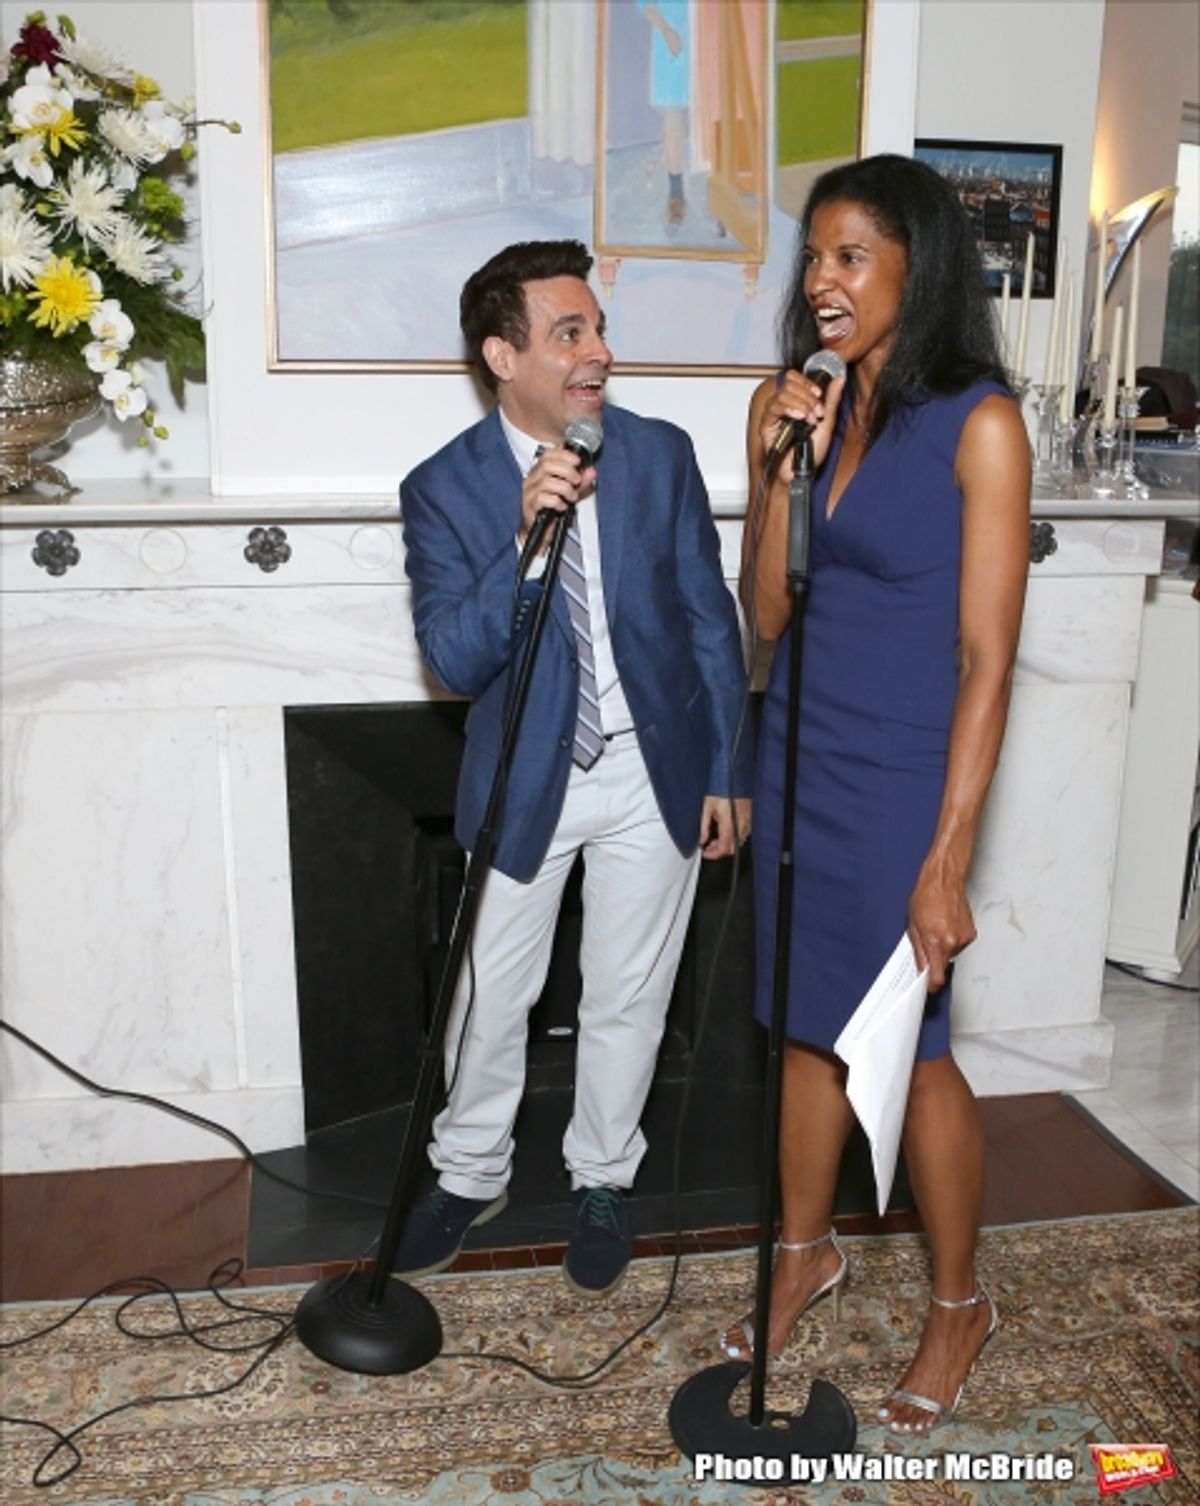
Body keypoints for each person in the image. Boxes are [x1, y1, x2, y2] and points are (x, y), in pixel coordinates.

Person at [725, 155, 1030, 1433]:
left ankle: (958, 1301)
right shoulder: (796, 405)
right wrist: (773, 474)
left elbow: (988, 658)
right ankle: (805, 1252)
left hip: (910, 775)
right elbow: (768, 614)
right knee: (805, 1024)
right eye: (814, 257)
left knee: (911, 1058)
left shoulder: (983, 424)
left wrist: (949, 854)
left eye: (852, 255)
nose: (823, 281)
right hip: (800, 753)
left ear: (919, 267)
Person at [398, 239, 753, 1298]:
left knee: (629, 994)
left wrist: (727, 767)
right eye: (570, 333)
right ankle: (468, 1175)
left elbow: (709, 620)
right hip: (525, 778)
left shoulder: (659, 453)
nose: (599, 350)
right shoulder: (444, 491)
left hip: (657, 773)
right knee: (488, 996)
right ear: (503, 356)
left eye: (596, 327)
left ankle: (603, 1177)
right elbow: (455, 661)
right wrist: (525, 538)